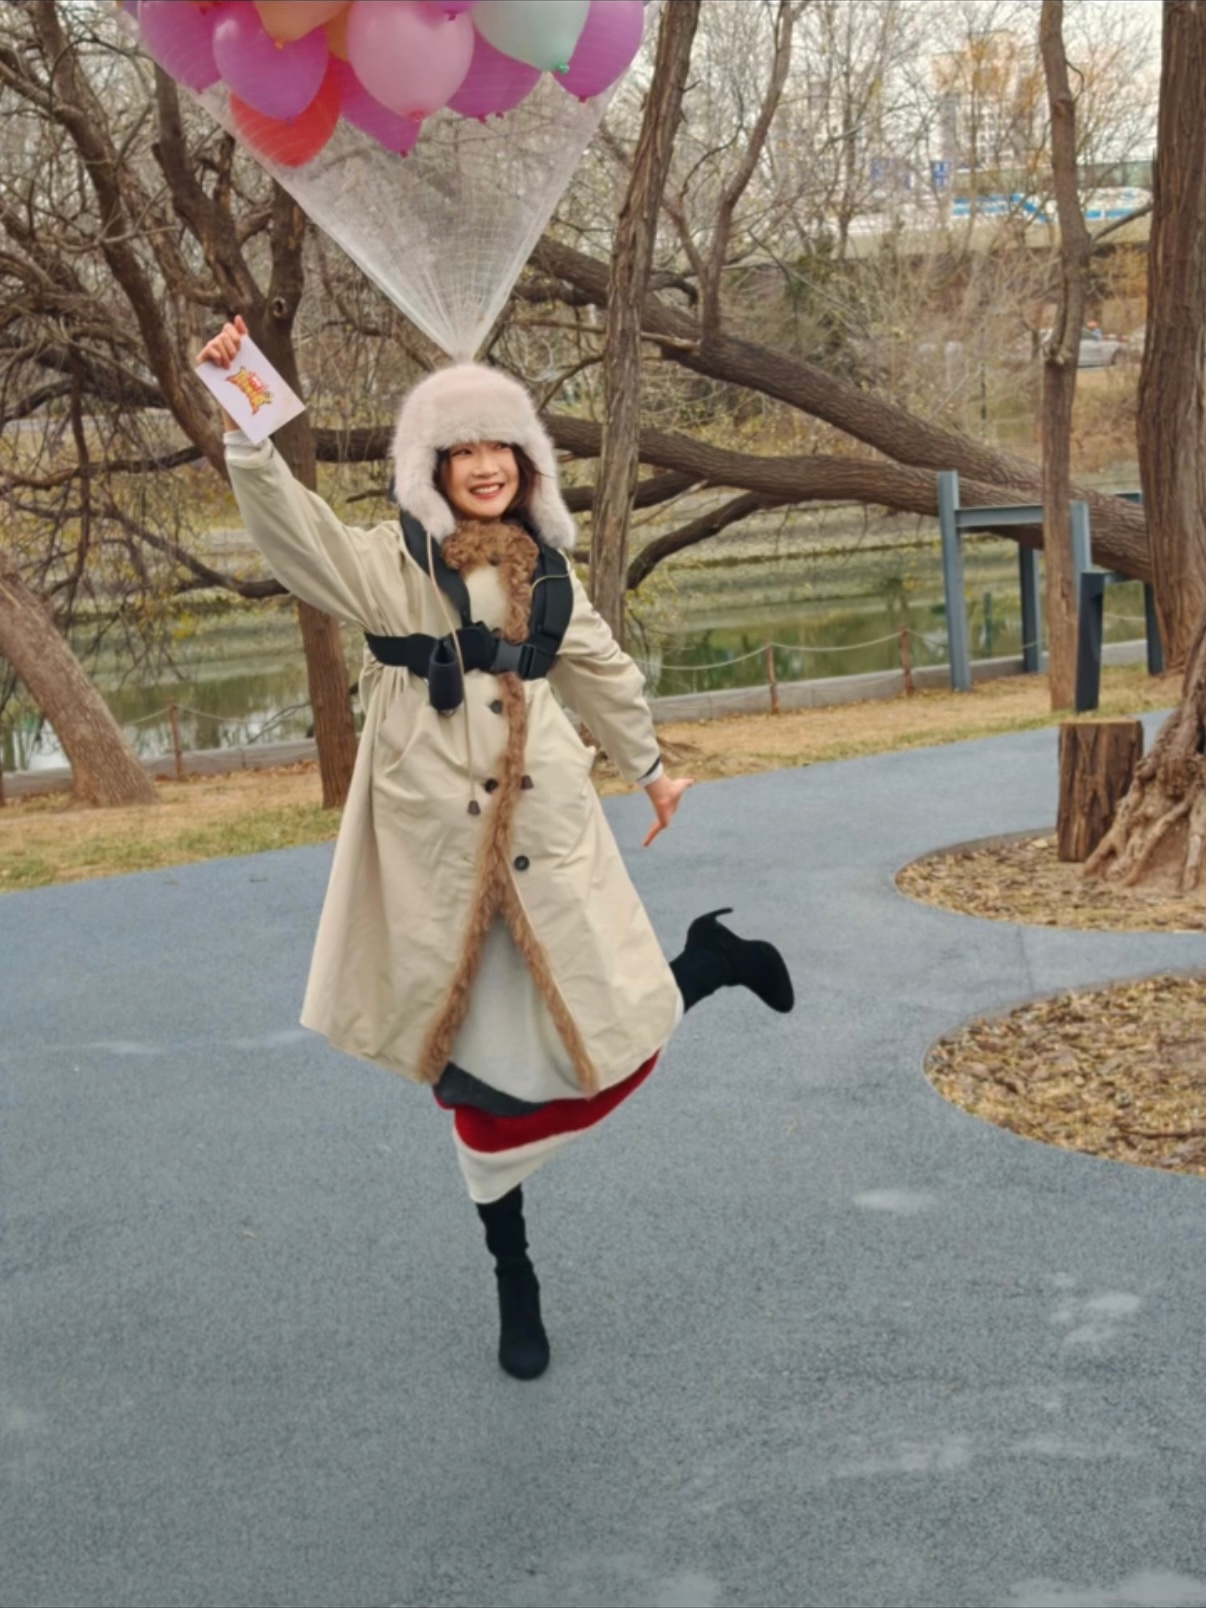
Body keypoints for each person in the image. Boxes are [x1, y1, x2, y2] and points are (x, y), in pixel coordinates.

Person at [199, 316, 795, 1381]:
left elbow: (601, 668)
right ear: (431, 469)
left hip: (547, 828)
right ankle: (514, 1279)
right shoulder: (390, 570)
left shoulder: (547, 573)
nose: (483, 467)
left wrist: (651, 767)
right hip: (439, 854)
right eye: (459, 451)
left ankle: (711, 960)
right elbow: (297, 537)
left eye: (500, 449)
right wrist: (249, 417)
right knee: (480, 1086)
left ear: (524, 462)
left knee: (599, 1033)